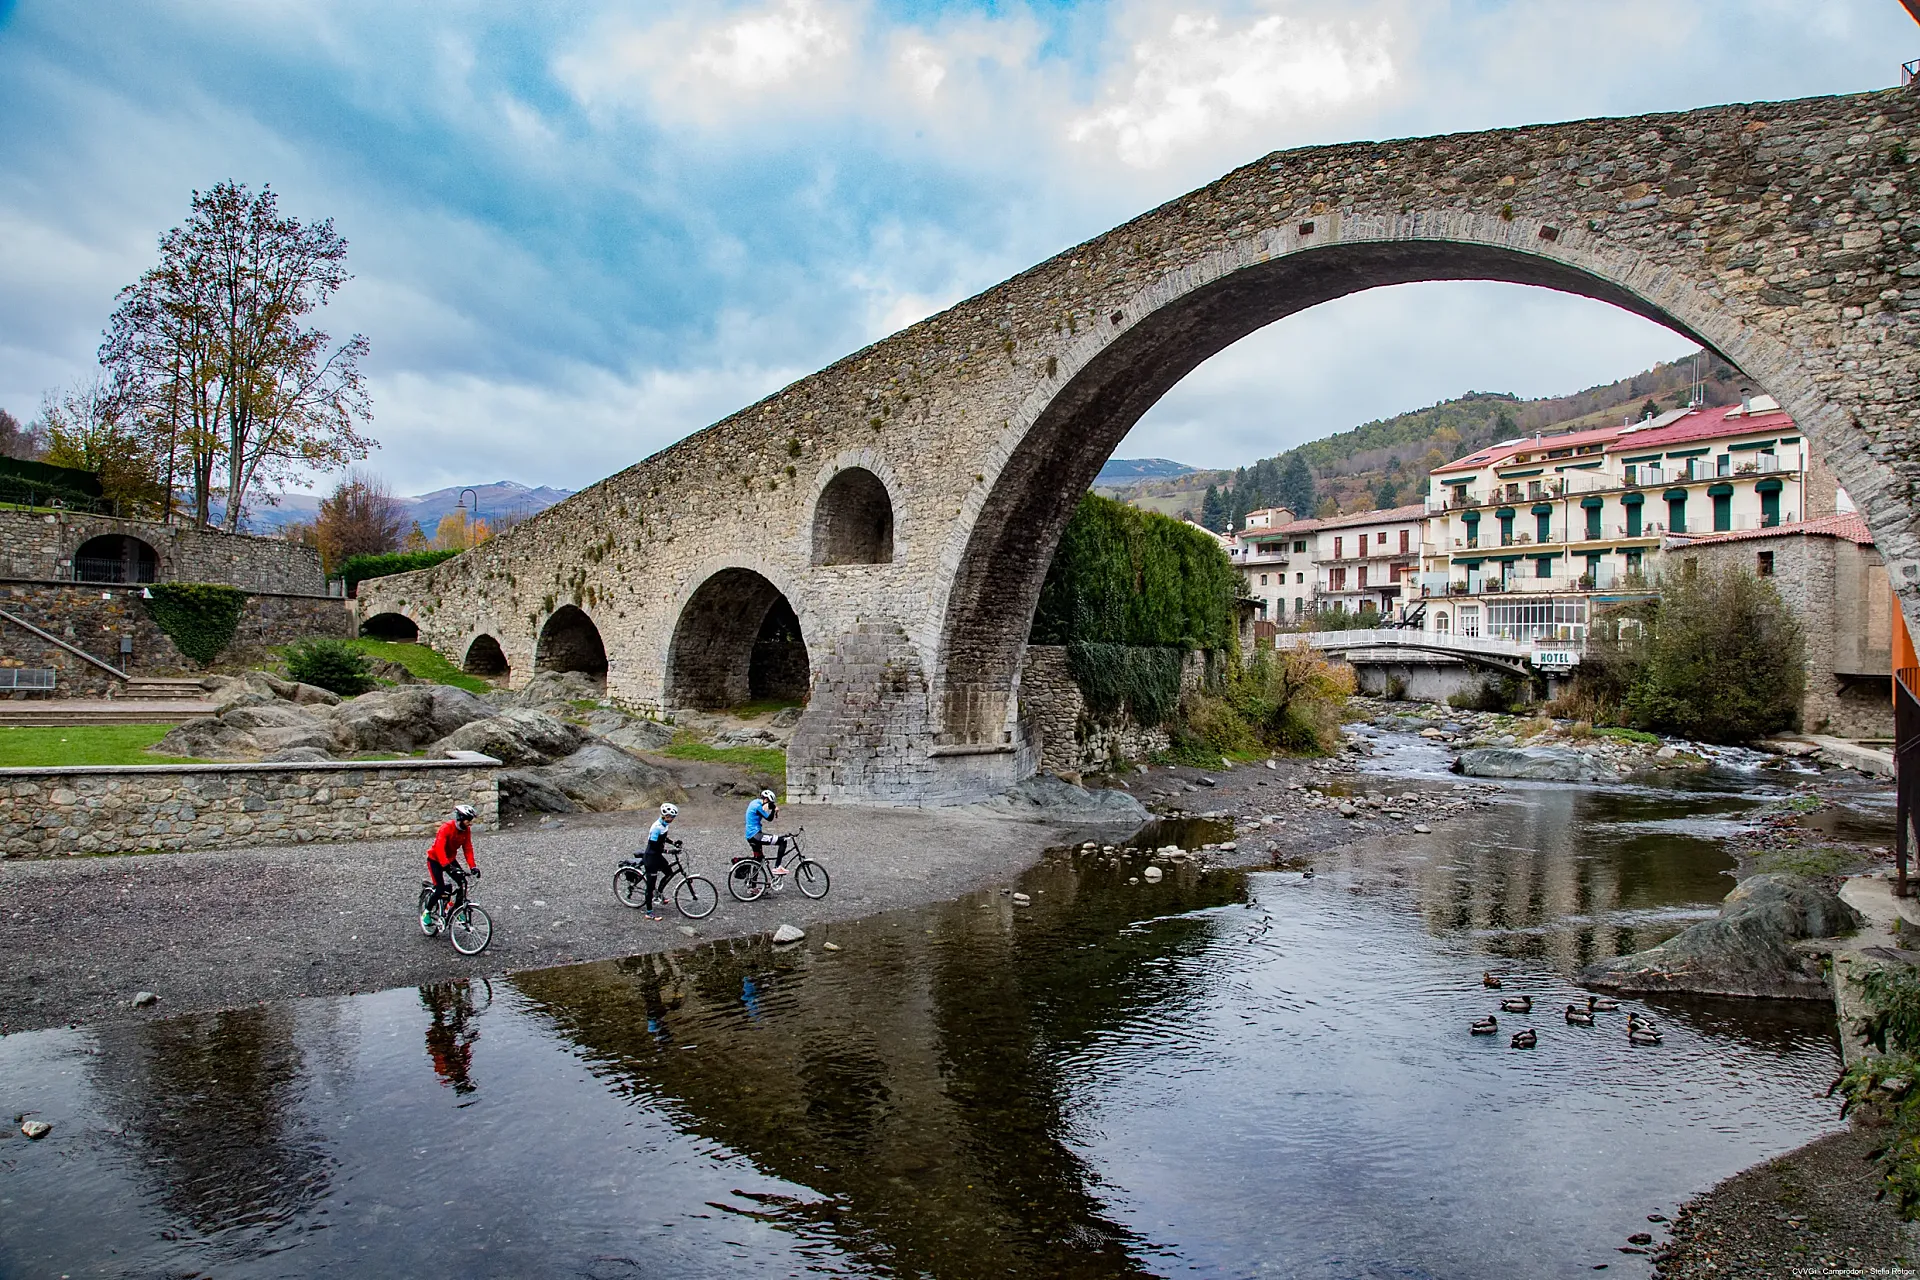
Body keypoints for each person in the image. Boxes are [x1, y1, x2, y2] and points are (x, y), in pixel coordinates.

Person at [422, 803, 480, 928]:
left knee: (463, 883)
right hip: (435, 860)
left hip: (450, 859)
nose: (470, 823)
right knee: (440, 888)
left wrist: (473, 866)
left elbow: (467, 848)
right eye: (468, 820)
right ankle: (427, 912)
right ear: (460, 819)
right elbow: (439, 848)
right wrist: (446, 865)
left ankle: (456, 910)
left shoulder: (466, 831)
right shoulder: (446, 828)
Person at [638, 802, 678, 921]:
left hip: (657, 856)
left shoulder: (664, 824)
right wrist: (668, 851)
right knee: (650, 886)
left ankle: (659, 893)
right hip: (651, 858)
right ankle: (649, 912)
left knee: (669, 872)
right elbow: (654, 845)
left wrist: (674, 843)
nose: (672, 819)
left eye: (673, 817)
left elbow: (664, 837)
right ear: (665, 816)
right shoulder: (656, 827)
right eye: (671, 817)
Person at [743, 789, 785, 877]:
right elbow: (769, 818)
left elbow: (765, 807)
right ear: (765, 799)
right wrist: (774, 810)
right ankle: (777, 867)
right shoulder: (758, 807)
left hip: (750, 836)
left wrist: (771, 806)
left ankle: (752, 884)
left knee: (758, 860)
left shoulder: (754, 802)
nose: (769, 804)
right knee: (782, 841)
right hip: (756, 835)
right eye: (769, 802)